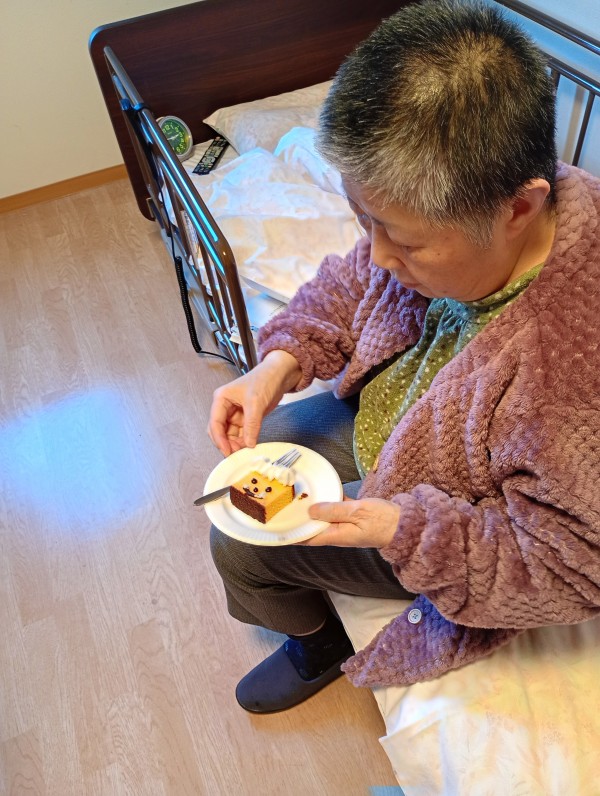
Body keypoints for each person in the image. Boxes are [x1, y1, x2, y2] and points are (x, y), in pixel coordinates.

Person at [207, 0, 600, 714]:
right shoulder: (492, 193)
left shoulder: (568, 371)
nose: (380, 256)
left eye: (407, 243)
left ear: (518, 208)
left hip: (444, 514)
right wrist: (280, 362)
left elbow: (569, 566)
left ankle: (316, 645)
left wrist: (407, 531)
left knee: (240, 545)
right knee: (256, 459)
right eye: (365, 222)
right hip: (397, 419)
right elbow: (354, 278)